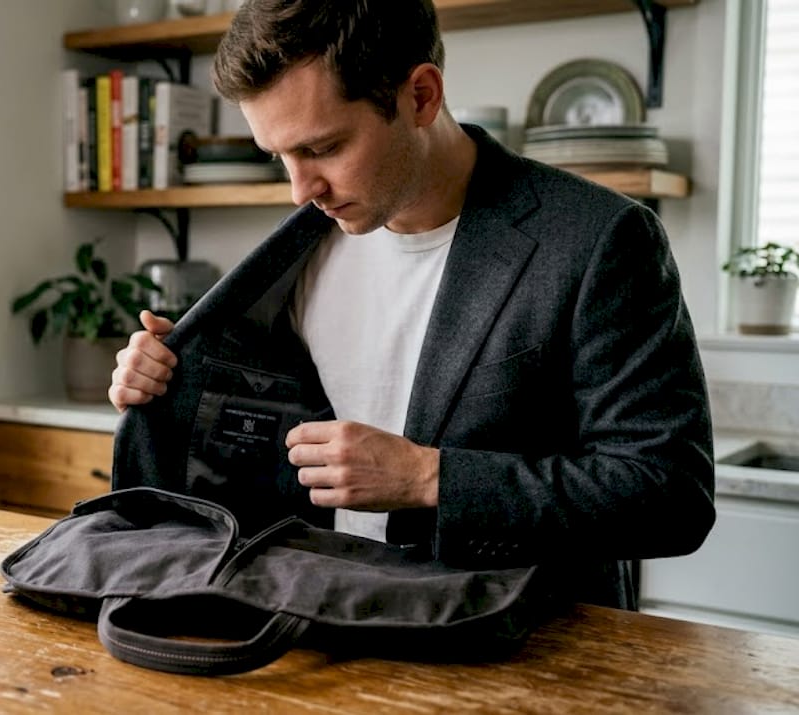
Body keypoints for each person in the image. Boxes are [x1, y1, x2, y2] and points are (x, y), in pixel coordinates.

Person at [107, 0, 714, 611]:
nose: (299, 189)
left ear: (420, 97)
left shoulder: (599, 239)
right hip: (321, 619)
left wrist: (428, 478)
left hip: (525, 651)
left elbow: (670, 497)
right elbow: (256, 435)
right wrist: (167, 375)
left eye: (324, 147)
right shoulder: (298, 252)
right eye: (280, 156)